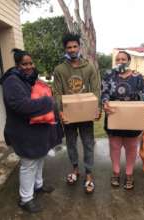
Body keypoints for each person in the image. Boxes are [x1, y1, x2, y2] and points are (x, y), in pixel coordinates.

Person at [0, 48, 58, 213]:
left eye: (30, 63)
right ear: (17, 65)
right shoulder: (12, 81)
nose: (28, 66)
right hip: (22, 131)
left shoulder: (28, 79)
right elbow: (20, 105)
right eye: (24, 64)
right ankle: (25, 199)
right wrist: (48, 102)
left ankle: (38, 186)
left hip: (35, 130)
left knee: (39, 158)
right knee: (28, 164)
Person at [53, 33, 101, 193]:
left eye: (75, 46)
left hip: (85, 114)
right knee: (71, 144)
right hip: (69, 115)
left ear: (79, 47)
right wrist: (60, 111)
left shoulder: (89, 67)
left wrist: (96, 108)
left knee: (88, 143)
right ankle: (75, 169)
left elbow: (95, 89)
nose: (72, 50)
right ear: (65, 49)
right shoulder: (59, 69)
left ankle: (88, 174)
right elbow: (57, 92)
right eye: (69, 47)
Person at [101, 51, 144, 190]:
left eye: (123, 59)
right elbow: (104, 92)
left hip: (132, 120)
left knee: (131, 148)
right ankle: (116, 172)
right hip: (114, 117)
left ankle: (129, 174)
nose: (120, 61)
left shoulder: (137, 77)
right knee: (115, 147)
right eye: (118, 59)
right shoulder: (109, 75)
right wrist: (105, 102)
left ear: (129, 61)